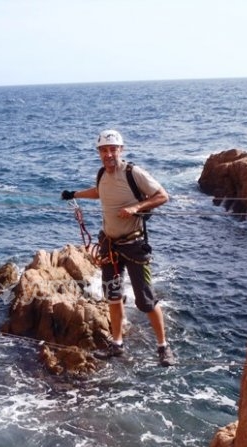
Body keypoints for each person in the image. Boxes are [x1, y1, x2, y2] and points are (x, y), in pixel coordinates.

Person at [61, 129, 176, 367]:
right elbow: (100, 192)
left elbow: (162, 195)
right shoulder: (102, 173)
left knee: (145, 301)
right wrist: (75, 194)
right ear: (99, 153)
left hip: (134, 246)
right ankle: (117, 345)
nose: (109, 154)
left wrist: (137, 208)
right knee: (113, 297)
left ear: (120, 150)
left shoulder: (134, 173)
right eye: (104, 150)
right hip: (109, 246)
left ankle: (163, 347)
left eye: (113, 149)